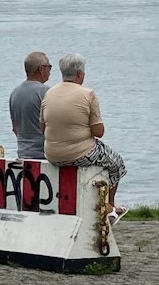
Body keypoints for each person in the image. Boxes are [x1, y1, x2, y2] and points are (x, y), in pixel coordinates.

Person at [41, 53, 126, 200]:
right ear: (80, 74)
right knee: (116, 163)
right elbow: (99, 132)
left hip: (52, 154)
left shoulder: (49, 93)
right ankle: (109, 205)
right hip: (80, 154)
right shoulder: (88, 94)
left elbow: (43, 128)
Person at [8, 50, 51, 161]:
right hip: (43, 154)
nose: (50, 71)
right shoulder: (46, 92)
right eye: (49, 67)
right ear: (41, 69)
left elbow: (15, 128)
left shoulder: (15, 93)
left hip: (23, 154)